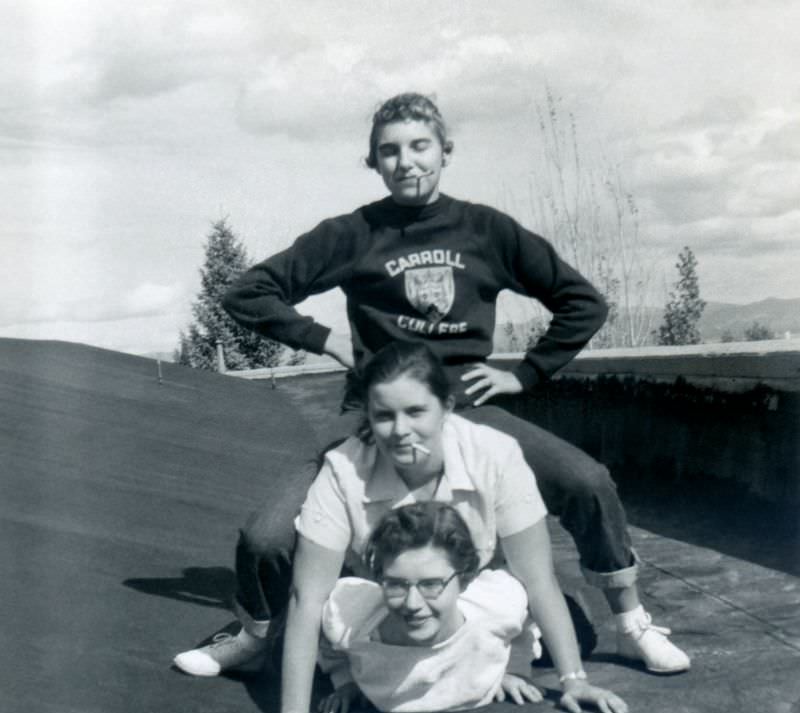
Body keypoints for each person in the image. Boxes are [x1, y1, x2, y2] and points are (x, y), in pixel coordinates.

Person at [173, 92, 689, 678]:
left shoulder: (486, 231)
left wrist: (525, 373)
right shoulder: (351, 234)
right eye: (389, 151)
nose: (407, 161)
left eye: (420, 146)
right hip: (374, 414)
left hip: (466, 407)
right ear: (373, 162)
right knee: (265, 535)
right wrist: (323, 339)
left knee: (587, 481)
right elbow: (246, 292)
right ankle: (255, 634)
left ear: (445, 151)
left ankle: (630, 624)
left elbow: (582, 302)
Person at [259, 343, 628, 713]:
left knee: (576, 637)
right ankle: (254, 633)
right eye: (384, 415)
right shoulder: (343, 470)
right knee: (286, 656)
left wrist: (573, 680)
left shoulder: (495, 454)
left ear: (446, 407)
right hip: (385, 598)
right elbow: (308, 596)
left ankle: (485, 655)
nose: (400, 430)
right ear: (368, 416)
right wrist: (294, 710)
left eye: (416, 411)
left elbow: (537, 580)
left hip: (470, 591)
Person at [315, 502, 580, 713]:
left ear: (464, 581)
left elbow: (525, 611)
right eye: (395, 585)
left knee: (582, 633)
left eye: (431, 585)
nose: (412, 604)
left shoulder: (496, 605)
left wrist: (513, 668)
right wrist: (344, 680)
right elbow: (325, 633)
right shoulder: (351, 616)